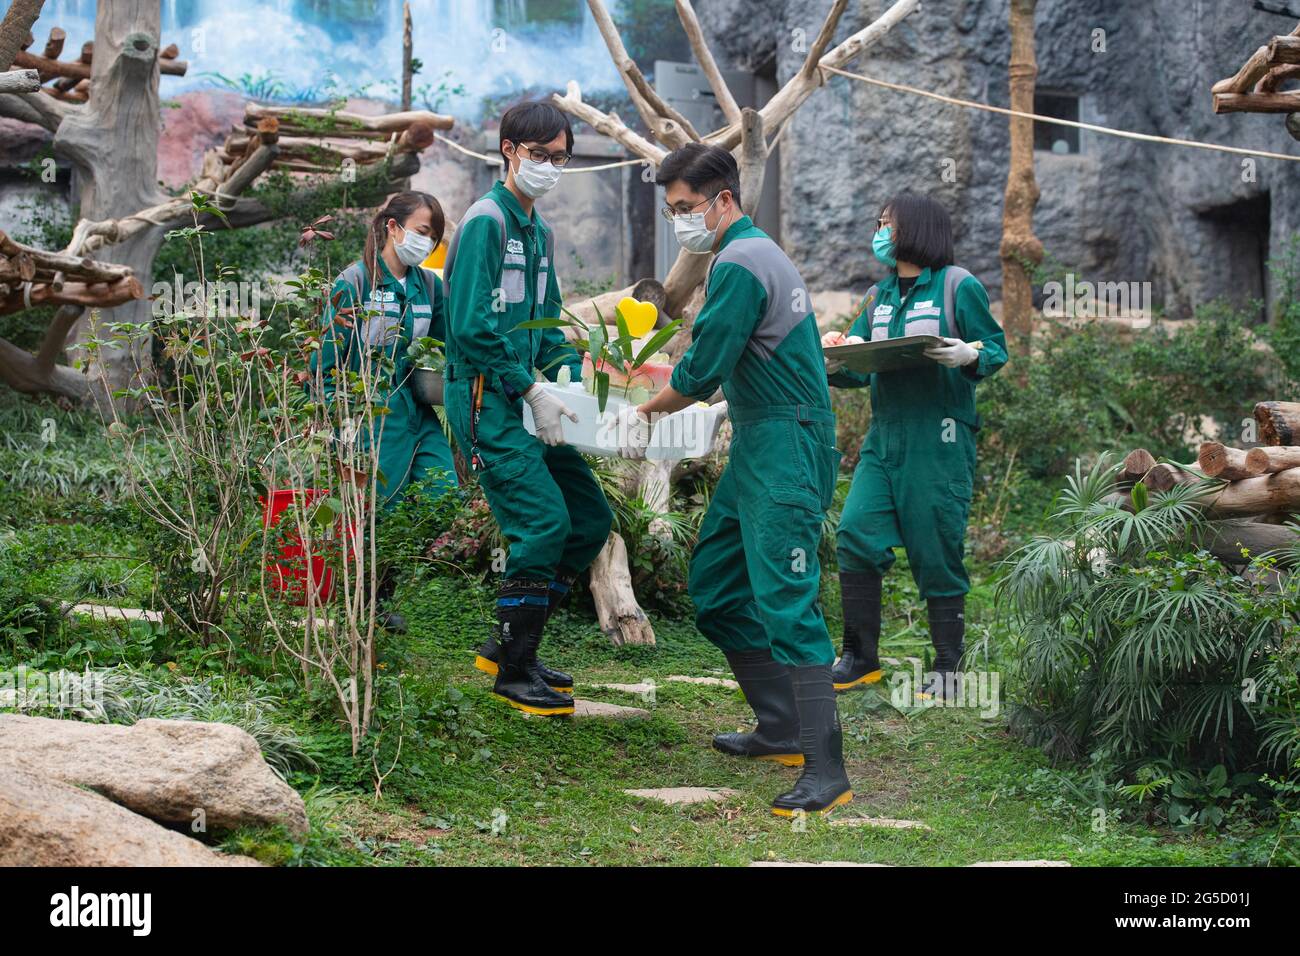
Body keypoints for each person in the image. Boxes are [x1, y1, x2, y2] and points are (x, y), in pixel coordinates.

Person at [619, 144, 850, 817]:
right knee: (718, 586)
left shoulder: (744, 262)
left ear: (723, 200)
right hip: (759, 440)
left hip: (786, 441)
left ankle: (827, 768)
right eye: (671, 212)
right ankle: (779, 724)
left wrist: (638, 415)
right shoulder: (750, 254)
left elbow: (700, 372)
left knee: (787, 601)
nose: (680, 221)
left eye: (687, 208)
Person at [443, 101, 614, 717]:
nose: (550, 166)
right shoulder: (485, 222)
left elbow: (544, 326)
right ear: (510, 150)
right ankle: (514, 672)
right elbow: (468, 328)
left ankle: (513, 642)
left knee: (588, 518)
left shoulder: (538, 231)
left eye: (560, 157)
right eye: (540, 155)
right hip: (490, 398)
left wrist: (574, 377)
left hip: (529, 397)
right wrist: (529, 387)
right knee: (543, 524)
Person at [822, 192, 1008, 700]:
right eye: (879, 222)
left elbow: (995, 349)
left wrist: (970, 353)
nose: (880, 231)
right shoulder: (877, 295)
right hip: (884, 439)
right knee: (856, 533)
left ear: (918, 228)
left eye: (888, 223)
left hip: (940, 438)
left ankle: (948, 666)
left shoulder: (957, 286)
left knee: (935, 548)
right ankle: (860, 657)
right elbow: (860, 367)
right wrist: (839, 356)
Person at [315, 190, 458, 632]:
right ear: (391, 227)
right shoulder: (354, 284)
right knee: (380, 509)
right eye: (421, 231)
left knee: (442, 495)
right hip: (369, 416)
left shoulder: (429, 286)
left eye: (433, 237)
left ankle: (384, 587)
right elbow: (325, 359)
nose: (427, 243)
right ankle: (367, 603)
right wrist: (331, 416)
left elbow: (442, 346)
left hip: (417, 412)